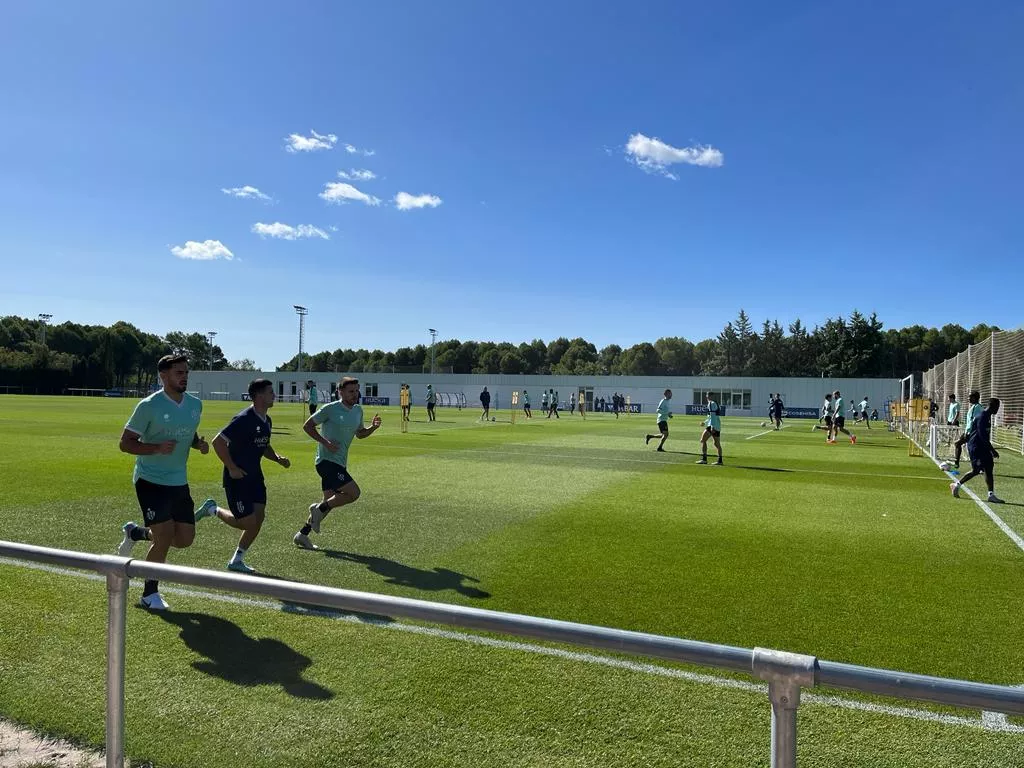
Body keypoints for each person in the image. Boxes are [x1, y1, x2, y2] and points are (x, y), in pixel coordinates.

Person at [116, 354, 210, 611]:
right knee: (165, 536)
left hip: (179, 481)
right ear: (164, 376)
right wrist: (157, 448)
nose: (184, 377)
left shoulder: (195, 405)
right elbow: (125, 443)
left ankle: (137, 533)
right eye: (179, 372)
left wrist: (198, 443)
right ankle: (149, 593)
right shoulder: (149, 406)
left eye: (186, 373)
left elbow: (188, 434)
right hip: (150, 480)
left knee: (185, 539)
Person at [206, 378, 290, 573]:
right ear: (259, 396)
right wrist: (232, 468)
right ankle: (213, 510)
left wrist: (277, 458)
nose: (274, 395)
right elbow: (217, 442)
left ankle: (237, 559)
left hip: (255, 477)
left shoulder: (267, 420)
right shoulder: (243, 419)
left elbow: (263, 444)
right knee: (247, 522)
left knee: (258, 519)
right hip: (237, 479)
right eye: (270, 392)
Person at [294, 377, 382, 550]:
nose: (355, 394)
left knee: (329, 502)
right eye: (351, 391)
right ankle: (319, 509)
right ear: (340, 392)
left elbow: (360, 434)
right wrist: (325, 442)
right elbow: (307, 426)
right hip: (326, 461)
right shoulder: (330, 409)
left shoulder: (358, 410)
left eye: (357, 391)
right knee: (353, 493)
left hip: (340, 462)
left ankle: (302, 534)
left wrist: (373, 428)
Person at [951, 398, 1004, 504]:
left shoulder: (987, 416)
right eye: (997, 407)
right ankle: (956, 484)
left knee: (989, 468)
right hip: (975, 446)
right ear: (993, 406)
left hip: (982, 446)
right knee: (976, 470)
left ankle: (991, 495)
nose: (998, 409)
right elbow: (982, 436)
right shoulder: (982, 416)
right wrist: (992, 450)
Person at [953, 391, 982, 469]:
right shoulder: (975, 407)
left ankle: (957, 463)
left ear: (974, 398)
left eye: (970, 397)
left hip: (971, 432)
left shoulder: (976, 407)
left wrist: (968, 432)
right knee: (958, 444)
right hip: (970, 431)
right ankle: (957, 462)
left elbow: (974, 421)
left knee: (960, 444)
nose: (968, 398)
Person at [697, 394, 723, 465]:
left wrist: (712, 426)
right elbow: (711, 416)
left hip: (712, 425)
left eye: (708, 396)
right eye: (707, 396)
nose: (707, 397)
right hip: (717, 425)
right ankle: (720, 460)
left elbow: (713, 416)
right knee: (716, 443)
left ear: (711, 397)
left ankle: (704, 459)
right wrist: (705, 422)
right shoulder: (715, 403)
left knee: (703, 440)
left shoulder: (711, 403)